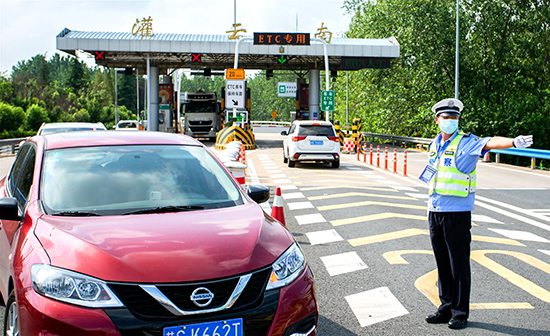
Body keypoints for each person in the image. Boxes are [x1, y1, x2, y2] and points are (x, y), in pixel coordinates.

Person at [421, 98, 533, 330]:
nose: (450, 121)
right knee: (442, 263)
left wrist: (513, 142)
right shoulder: (434, 143)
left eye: (454, 118)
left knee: (458, 264)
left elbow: (490, 142)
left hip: (457, 213)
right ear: (437, 120)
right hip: (435, 210)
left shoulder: (467, 142)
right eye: (446, 118)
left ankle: (460, 313)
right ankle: (445, 307)